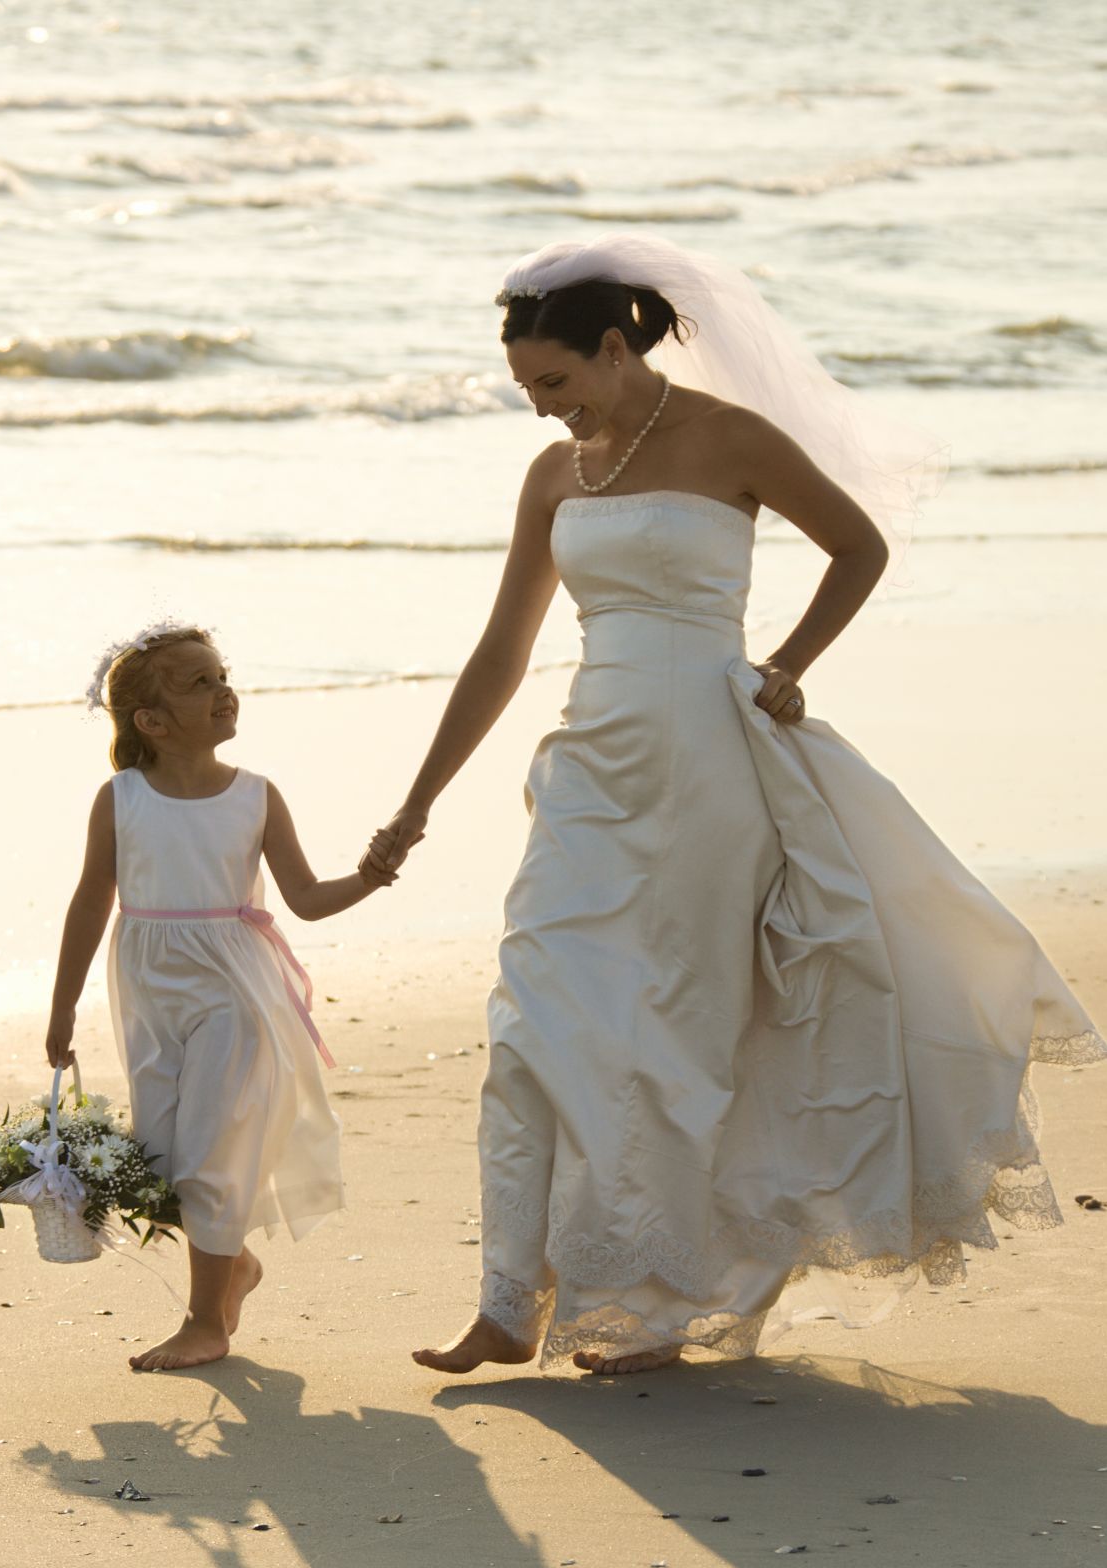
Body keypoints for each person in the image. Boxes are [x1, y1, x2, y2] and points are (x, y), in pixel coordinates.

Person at [364, 234, 1105, 1377]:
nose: (545, 409)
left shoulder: (732, 440)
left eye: (555, 382)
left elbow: (856, 545)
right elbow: (502, 649)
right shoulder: (556, 475)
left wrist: (789, 664)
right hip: (591, 761)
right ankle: (510, 1297)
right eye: (526, 390)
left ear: (616, 348)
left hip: (712, 761)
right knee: (531, 1021)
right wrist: (413, 804)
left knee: (673, 1033)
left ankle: (651, 1309)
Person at [48, 622, 393, 1371]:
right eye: (198, 682)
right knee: (167, 1150)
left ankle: (206, 1321)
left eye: (221, 674)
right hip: (147, 982)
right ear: (152, 721)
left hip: (237, 985)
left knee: (214, 1150)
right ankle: (232, 1268)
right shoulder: (122, 799)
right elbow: (89, 902)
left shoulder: (256, 796)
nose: (222, 690)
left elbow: (303, 897)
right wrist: (62, 1006)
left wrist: (368, 875)